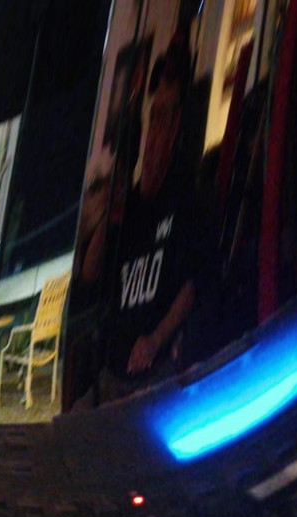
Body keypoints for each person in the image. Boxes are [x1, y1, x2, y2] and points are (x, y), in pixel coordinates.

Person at [86, 30, 201, 405]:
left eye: (165, 120)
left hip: (153, 378)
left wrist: (155, 340)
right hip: (110, 376)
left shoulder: (185, 198)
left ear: (178, 129)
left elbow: (191, 286)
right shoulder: (130, 203)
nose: (154, 136)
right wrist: (109, 210)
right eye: (153, 119)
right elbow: (90, 272)